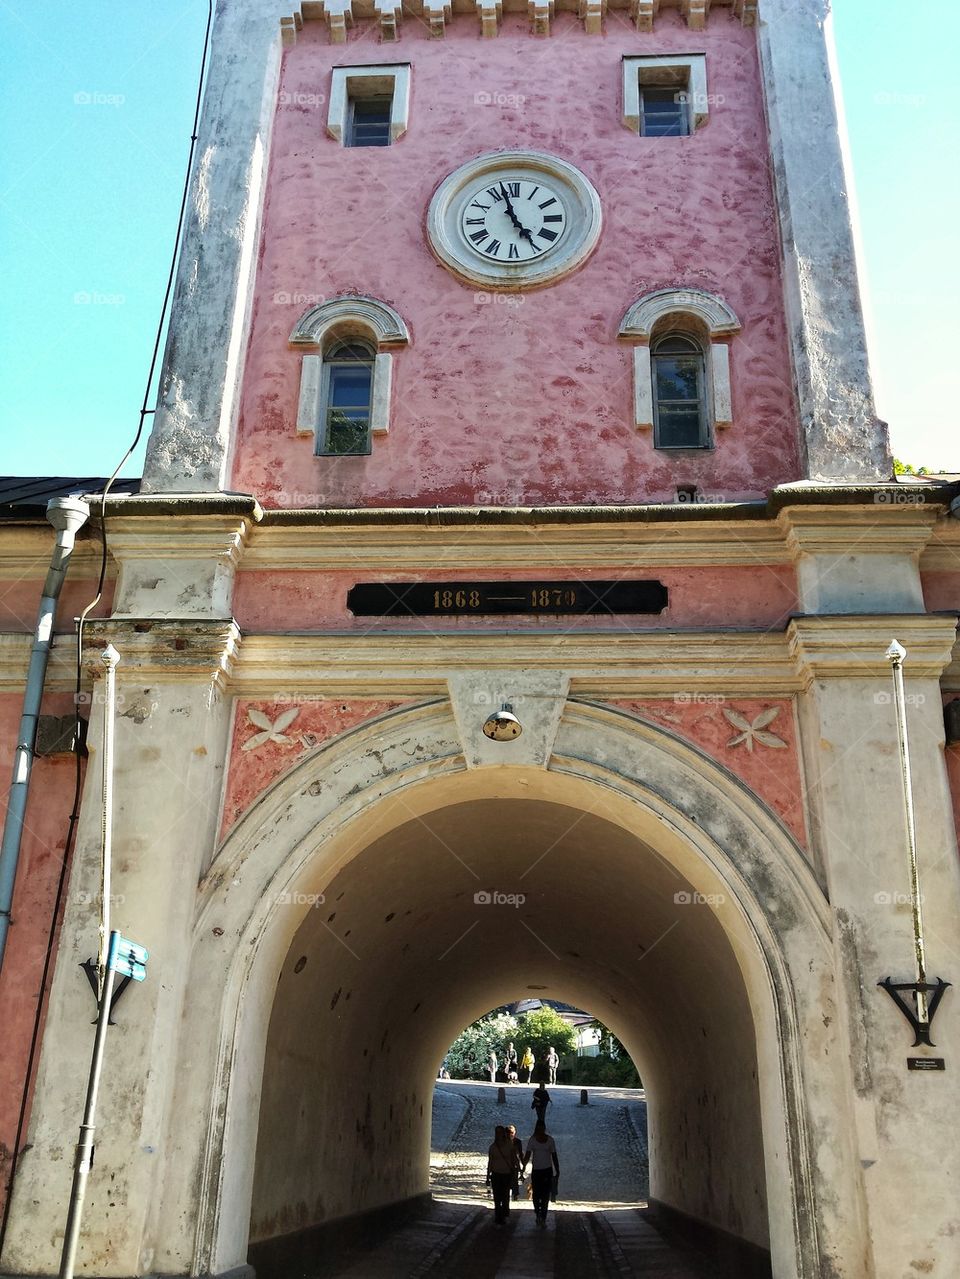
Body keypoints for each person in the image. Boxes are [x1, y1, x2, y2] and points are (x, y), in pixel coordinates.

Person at [523, 1120, 560, 1227]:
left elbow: (554, 1155)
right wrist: (522, 1165)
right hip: (536, 1171)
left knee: (545, 1195)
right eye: (539, 1128)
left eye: (542, 1127)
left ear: (544, 1128)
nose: (540, 1130)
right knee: (536, 1195)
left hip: (547, 1171)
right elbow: (528, 1155)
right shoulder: (532, 1140)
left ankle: (542, 1216)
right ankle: (538, 1212)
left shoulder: (550, 1140)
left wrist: (557, 1169)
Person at [486, 1125, 519, 1224]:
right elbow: (490, 1162)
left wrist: (518, 1169)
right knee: (497, 1196)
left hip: (506, 1174)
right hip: (496, 1174)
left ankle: (504, 1213)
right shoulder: (492, 1147)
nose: (499, 1134)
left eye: (500, 1132)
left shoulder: (509, 1145)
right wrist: (487, 1176)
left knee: (505, 1195)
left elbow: (514, 1159)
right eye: (497, 1132)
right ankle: (498, 1215)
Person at [506, 1123, 524, 1201]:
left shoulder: (518, 1142)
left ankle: (515, 1195)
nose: (511, 1135)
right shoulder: (503, 1142)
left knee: (514, 1180)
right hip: (505, 1164)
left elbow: (520, 1154)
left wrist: (523, 1165)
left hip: (515, 1164)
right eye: (509, 1133)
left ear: (515, 1132)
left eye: (512, 1133)